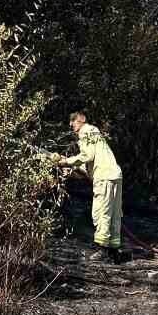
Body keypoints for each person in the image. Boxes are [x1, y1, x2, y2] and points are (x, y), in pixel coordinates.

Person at [55, 112, 124, 263]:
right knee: (114, 213)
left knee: (101, 212)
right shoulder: (96, 135)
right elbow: (89, 167)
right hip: (114, 175)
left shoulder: (86, 131)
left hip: (104, 176)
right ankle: (114, 249)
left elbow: (87, 156)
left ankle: (102, 250)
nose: (71, 127)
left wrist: (66, 162)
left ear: (79, 121)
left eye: (72, 123)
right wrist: (72, 170)